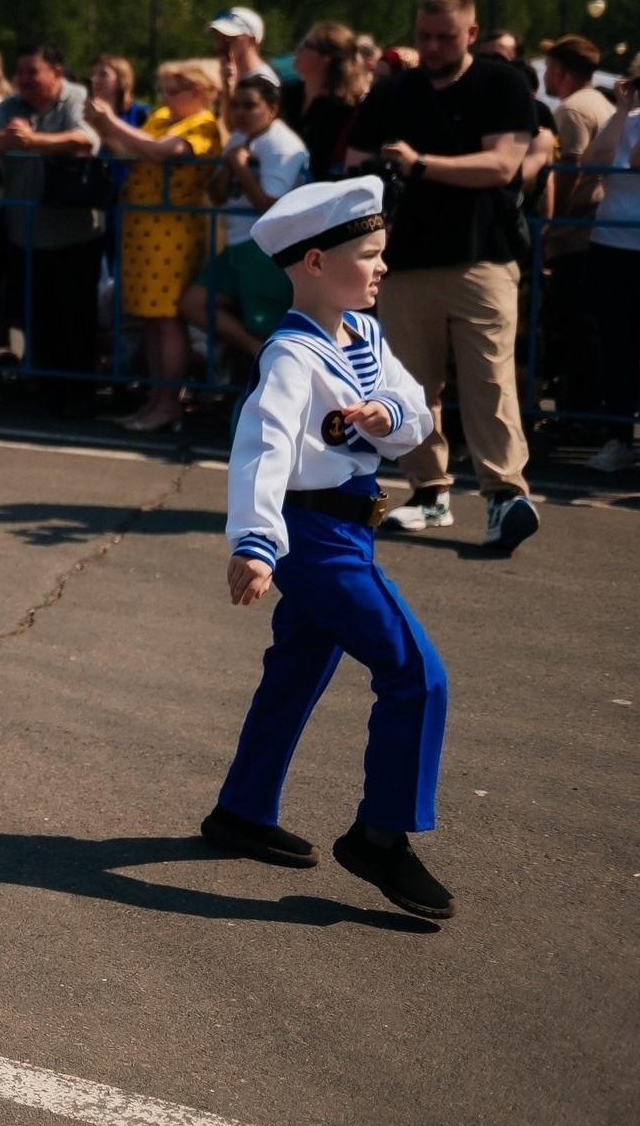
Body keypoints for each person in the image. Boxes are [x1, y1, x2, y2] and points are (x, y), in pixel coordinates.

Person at [213, 176, 452, 921]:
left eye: (382, 253)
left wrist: (385, 412)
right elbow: (263, 449)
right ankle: (382, 834)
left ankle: (242, 812)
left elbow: (415, 412)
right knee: (416, 674)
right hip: (312, 536)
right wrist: (255, 543)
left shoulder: (364, 335)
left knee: (297, 672)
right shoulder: (291, 355)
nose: (382, 267)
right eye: (369, 254)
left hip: (349, 528)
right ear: (314, 262)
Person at [342, 0, 542, 551]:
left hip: (483, 257)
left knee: (489, 380)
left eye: (445, 36)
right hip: (404, 261)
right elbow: (357, 163)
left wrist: (420, 164)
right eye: (424, 36)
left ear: (471, 34)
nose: (432, 46)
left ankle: (505, 495)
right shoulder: (392, 91)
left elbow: (503, 165)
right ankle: (429, 492)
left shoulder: (501, 83)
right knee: (410, 384)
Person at [86, 60, 228, 431]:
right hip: (144, 228)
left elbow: (162, 152)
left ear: (197, 93)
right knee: (151, 319)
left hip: (173, 230)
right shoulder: (164, 116)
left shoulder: (203, 124)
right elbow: (134, 149)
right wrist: (104, 126)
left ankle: (168, 404)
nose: (164, 97)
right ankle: (154, 401)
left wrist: (112, 123)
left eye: (173, 89)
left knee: (166, 319)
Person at [0, 44, 105, 411]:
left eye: (34, 71)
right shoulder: (12, 105)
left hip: (75, 234)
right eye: (21, 72)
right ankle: (45, 391)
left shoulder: (76, 98)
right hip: (25, 235)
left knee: (75, 319)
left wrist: (34, 142)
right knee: (37, 317)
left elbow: (85, 140)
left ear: (57, 72)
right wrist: (10, 139)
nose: (25, 80)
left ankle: (78, 395)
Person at [577, 52, 640, 476]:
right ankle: (618, 438)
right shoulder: (624, 122)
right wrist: (620, 109)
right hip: (612, 247)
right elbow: (591, 164)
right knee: (617, 346)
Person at [186, 75, 309, 361]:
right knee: (193, 304)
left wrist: (240, 168)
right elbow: (216, 195)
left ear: (272, 108)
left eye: (249, 106)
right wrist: (230, 167)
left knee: (266, 325)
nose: (240, 113)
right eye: (236, 106)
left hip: (266, 248)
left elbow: (270, 205)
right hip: (237, 244)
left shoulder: (281, 146)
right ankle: (256, 352)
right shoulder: (240, 137)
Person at [538, 36, 614, 432]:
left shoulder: (571, 110)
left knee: (573, 325)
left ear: (562, 71)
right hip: (595, 228)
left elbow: (570, 168)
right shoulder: (601, 103)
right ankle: (587, 409)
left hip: (575, 233)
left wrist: (555, 219)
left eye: (550, 66)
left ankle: (581, 414)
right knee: (587, 326)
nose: (547, 74)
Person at [283, 22, 368, 179]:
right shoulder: (288, 94)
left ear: (325, 58)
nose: (298, 48)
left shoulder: (346, 110)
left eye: (306, 44)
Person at [209, 8, 279, 95]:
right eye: (218, 39)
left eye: (228, 39)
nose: (219, 46)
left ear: (251, 41)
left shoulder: (263, 83)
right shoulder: (238, 79)